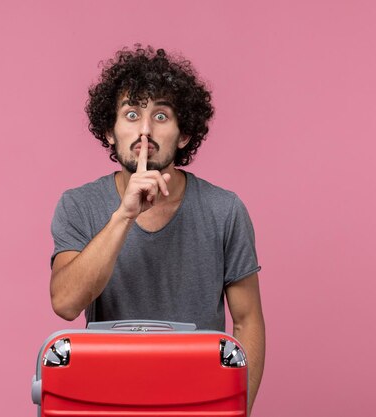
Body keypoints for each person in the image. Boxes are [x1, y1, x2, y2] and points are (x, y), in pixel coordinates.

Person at [49, 45, 265, 412]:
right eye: (131, 114)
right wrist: (124, 216)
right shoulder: (78, 205)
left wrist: (235, 407)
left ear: (183, 135)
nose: (145, 130)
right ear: (109, 131)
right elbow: (66, 304)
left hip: (199, 398)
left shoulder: (225, 210)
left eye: (161, 116)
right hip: (106, 398)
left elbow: (247, 323)